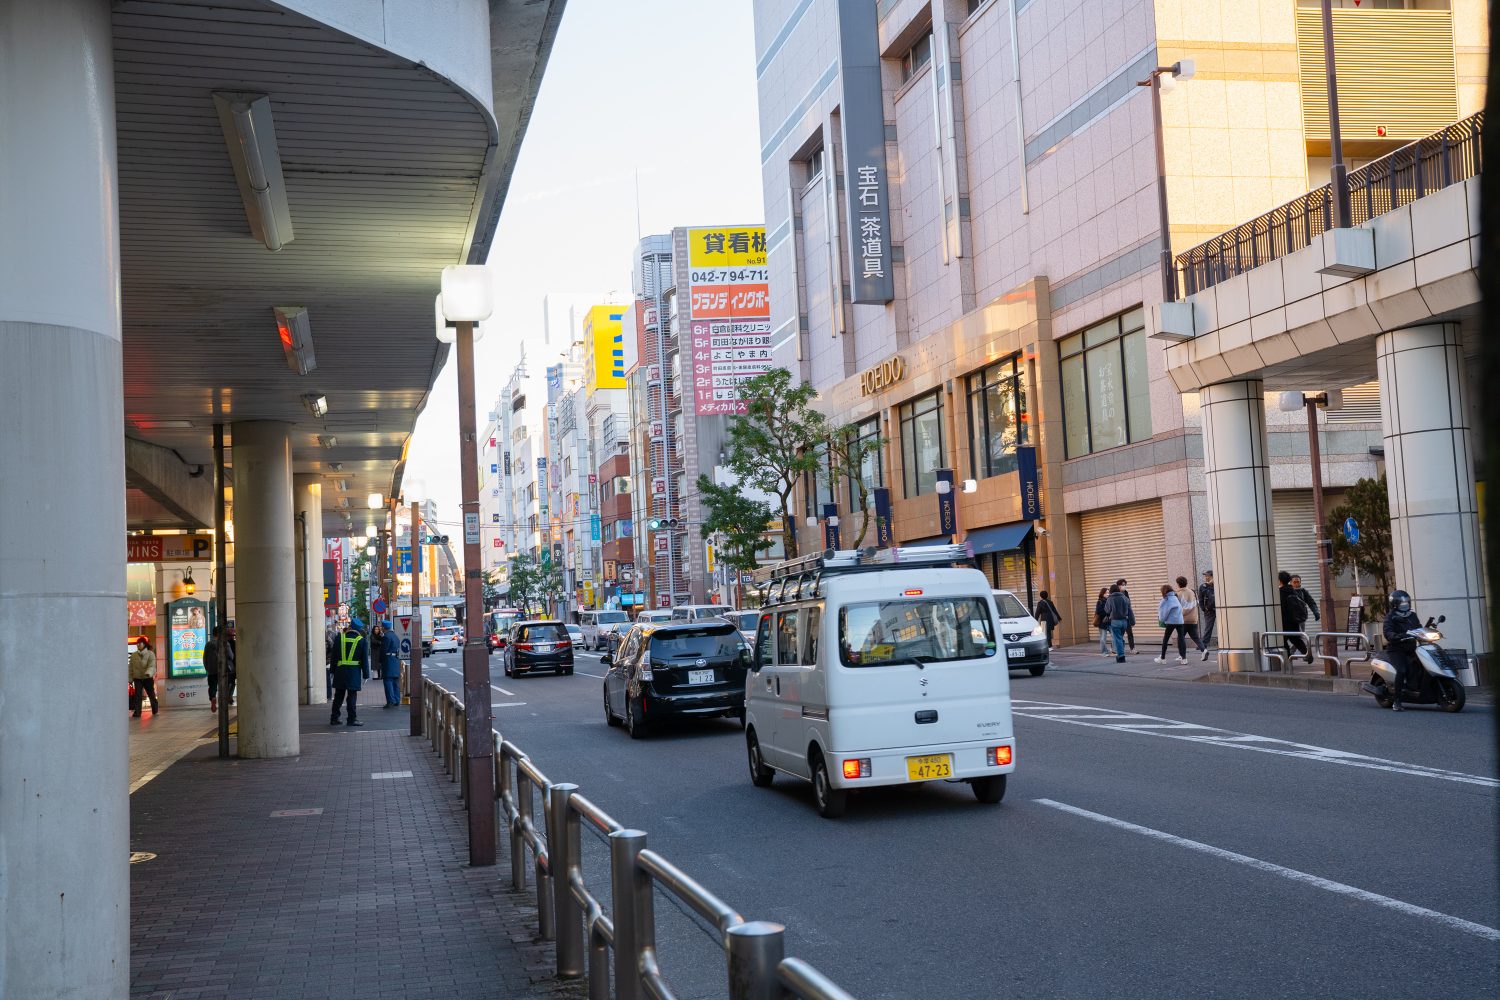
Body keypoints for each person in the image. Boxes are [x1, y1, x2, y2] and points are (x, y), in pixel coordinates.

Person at [1381, 589, 1421, 712]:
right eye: (1402, 603)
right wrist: (1395, 635)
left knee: (1422, 665)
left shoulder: (1412, 616)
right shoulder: (1390, 617)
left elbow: (1418, 627)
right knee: (1402, 670)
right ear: (1395, 604)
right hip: (1396, 649)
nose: (1405, 605)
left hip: (1411, 647)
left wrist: (1424, 632)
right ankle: (1397, 701)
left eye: (1406, 603)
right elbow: (1387, 631)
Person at [331, 617, 370, 726]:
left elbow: (334, 657)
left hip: (340, 671)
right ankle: (351, 719)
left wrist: (332, 671)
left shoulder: (340, 638)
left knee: (338, 696)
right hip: (354, 672)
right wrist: (366, 675)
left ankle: (334, 718)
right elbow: (364, 660)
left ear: (350, 626)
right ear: (359, 630)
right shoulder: (362, 641)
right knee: (352, 696)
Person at [1278, 570, 1310, 661]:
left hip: (1284, 621)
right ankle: (1308, 655)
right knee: (1296, 639)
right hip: (1294, 620)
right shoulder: (1293, 590)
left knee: (1283, 641)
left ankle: (1288, 659)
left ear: (1280, 581)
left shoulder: (1280, 592)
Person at [1154, 585, 1187, 663]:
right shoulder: (1175, 597)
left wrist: (1162, 620)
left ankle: (1162, 658)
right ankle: (1184, 659)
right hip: (1179, 621)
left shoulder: (1166, 600)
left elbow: (1163, 613)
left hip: (1171, 621)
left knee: (1166, 639)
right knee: (1181, 639)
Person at [129, 637, 159, 717]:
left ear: (144, 644)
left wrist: (148, 673)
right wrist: (130, 679)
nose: (138, 645)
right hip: (137, 678)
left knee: (151, 695)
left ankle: (155, 710)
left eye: (140, 643)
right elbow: (130, 668)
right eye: (137, 643)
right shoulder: (134, 655)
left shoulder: (150, 654)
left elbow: (152, 665)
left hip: (147, 678)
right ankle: (137, 712)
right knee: (138, 696)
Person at [1105, 584, 1133, 663]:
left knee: (1117, 639)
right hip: (1124, 621)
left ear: (1111, 590)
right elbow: (1130, 610)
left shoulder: (1110, 598)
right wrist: (1132, 621)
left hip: (1115, 621)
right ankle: (1120, 653)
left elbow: (1107, 610)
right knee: (1120, 638)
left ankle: (1121, 656)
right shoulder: (1125, 598)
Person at [1175, 575, 1205, 653]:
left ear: (1178, 584)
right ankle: (1204, 650)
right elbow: (1197, 603)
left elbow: (1176, 607)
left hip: (1183, 620)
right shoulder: (1192, 592)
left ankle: (1182, 655)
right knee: (1195, 637)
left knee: (1180, 638)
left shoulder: (1178, 594)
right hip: (1193, 619)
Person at [377, 619, 402, 707]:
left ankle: (390, 701)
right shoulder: (395, 636)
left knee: (388, 681)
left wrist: (380, 661)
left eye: (382, 627)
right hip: (395, 659)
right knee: (395, 681)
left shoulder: (386, 637)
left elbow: (383, 650)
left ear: (384, 628)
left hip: (388, 660)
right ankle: (397, 700)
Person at [1197, 569, 1217, 661]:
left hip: (1219, 608)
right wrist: (1204, 609)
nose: (1205, 577)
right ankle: (1203, 645)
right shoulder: (1203, 586)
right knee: (1208, 627)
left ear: (1212, 576)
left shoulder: (1217, 584)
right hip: (1209, 610)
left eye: (1207, 575)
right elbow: (1200, 598)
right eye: (1205, 576)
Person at [1115, 579, 1137, 653]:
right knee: (1120, 634)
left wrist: (1131, 617)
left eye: (1125, 585)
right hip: (1119, 618)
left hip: (1127, 617)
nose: (1124, 586)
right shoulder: (1115, 594)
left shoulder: (1126, 593)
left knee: (1130, 633)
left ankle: (1132, 648)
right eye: (1122, 585)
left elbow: (1129, 605)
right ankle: (1116, 648)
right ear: (1118, 586)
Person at [204, 626, 221, 712]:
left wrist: (207, 668)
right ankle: (223, 700)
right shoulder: (223, 643)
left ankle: (213, 697)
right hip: (221, 670)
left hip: (211, 670)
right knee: (223, 686)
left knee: (212, 686)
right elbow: (231, 656)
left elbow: (205, 657)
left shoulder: (208, 644)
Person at [1094, 587, 1112, 655]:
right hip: (1102, 622)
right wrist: (1107, 612)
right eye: (1106, 593)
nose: (1108, 594)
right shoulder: (1100, 602)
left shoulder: (1110, 601)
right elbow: (1098, 611)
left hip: (1110, 622)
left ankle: (1113, 650)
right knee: (1103, 638)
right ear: (1102, 594)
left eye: (1108, 593)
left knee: (1114, 636)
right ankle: (1104, 652)